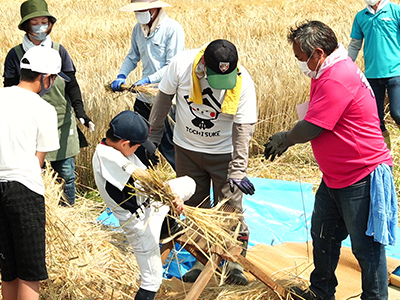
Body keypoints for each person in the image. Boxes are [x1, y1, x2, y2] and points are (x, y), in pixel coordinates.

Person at [264, 20, 397, 300]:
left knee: (366, 248)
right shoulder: (325, 71)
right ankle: (321, 292)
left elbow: (313, 126)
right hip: (335, 176)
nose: (300, 64)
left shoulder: (337, 76)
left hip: (360, 175)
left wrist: (285, 138)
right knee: (323, 235)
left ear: (319, 53)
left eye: (301, 58)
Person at [148, 39, 257, 285]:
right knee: (197, 208)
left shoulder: (243, 81)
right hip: (187, 149)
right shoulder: (182, 65)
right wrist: (152, 140)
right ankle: (202, 258)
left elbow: (243, 128)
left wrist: (238, 169)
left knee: (230, 211)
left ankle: (233, 262)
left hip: (224, 154)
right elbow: (163, 101)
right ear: (204, 66)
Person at [92, 110, 195, 300]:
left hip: (152, 206)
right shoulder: (105, 155)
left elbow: (151, 181)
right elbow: (144, 177)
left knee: (189, 183)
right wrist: (170, 196)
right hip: (139, 222)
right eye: (137, 145)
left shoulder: (120, 149)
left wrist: (173, 197)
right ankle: (165, 225)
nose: (139, 148)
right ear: (125, 143)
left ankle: (166, 225)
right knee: (152, 280)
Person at [3, 0, 95, 206]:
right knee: (35, 175)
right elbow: (9, 88)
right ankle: (43, 211)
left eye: (44, 22)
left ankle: (69, 213)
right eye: (35, 23)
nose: (40, 27)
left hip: (61, 121)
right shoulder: (15, 55)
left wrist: (80, 111)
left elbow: (71, 84)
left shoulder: (59, 50)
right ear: (26, 26)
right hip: (27, 124)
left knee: (66, 175)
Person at [0, 46, 65, 300]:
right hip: (24, 191)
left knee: (8, 270)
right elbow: (39, 160)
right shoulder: (44, 110)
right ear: (46, 78)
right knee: (29, 271)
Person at [110, 0, 185, 170]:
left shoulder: (172, 29)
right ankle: (146, 186)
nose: (139, 13)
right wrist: (122, 75)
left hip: (165, 98)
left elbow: (173, 65)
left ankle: (188, 188)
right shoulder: (138, 29)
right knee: (140, 146)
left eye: (143, 9)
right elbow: (132, 56)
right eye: (137, 10)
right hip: (143, 98)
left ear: (156, 7)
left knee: (169, 147)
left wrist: (149, 80)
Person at [348, 0, 400, 149]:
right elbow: (355, 45)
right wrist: (345, 66)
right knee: (376, 119)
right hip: (372, 75)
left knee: (397, 113)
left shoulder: (395, 11)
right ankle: (383, 155)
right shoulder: (361, 17)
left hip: (396, 72)